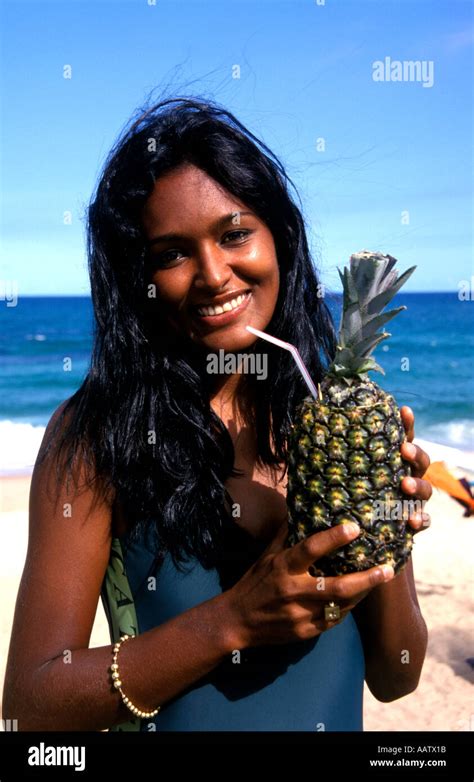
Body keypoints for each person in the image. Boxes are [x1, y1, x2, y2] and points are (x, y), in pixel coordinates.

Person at [2, 96, 432, 732]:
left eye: (235, 234)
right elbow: (30, 707)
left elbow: (397, 676)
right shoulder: (96, 435)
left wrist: (385, 527)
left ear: (278, 238)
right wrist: (233, 620)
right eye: (172, 253)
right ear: (138, 276)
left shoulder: (337, 421)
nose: (212, 274)